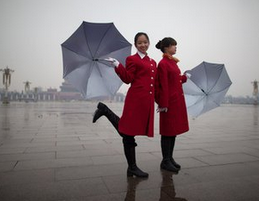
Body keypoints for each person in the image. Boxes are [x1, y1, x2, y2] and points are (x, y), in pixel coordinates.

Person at [93, 32, 157, 177]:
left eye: (145, 42)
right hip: (135, 100)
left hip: (146, 103)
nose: (143, 45)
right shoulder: (131, 59)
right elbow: (128, 79)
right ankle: (132, 167)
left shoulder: (153, 62)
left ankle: (105, 110)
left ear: (149, 43)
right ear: (135, 45)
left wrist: (161, 102)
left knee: (127, 132)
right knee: (128, 133)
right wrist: (117, 65)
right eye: (140, 43)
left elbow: (155, 83)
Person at [155, 37, 189, 173]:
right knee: (167, 132)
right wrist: (163, 103)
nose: (176, 48)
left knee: (173, 131)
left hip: (176, 102)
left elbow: (175, 80)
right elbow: (161, 85)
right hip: (168, 102)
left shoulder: (173, 63)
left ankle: (170, 158)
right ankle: (165, 160)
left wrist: (184, 77)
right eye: (173, 45)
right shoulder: (163, 63)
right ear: (166, 47)